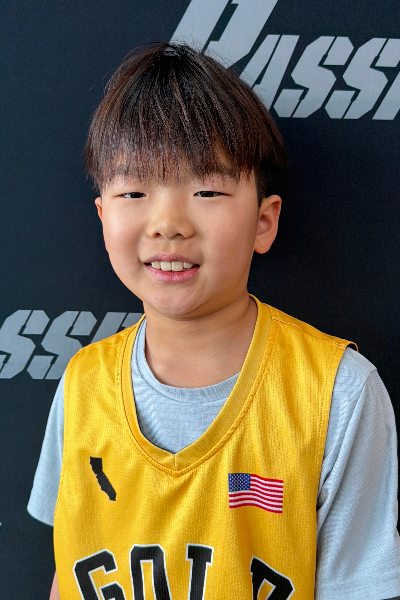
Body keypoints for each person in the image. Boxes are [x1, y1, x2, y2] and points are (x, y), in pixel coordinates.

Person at [28, 43, 400, 600]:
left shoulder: (338, 394)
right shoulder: (83, 382)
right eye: (134, 190)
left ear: (264, 221)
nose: (168, 223)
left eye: (206, 190)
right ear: (103, 216)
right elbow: (71, 564)